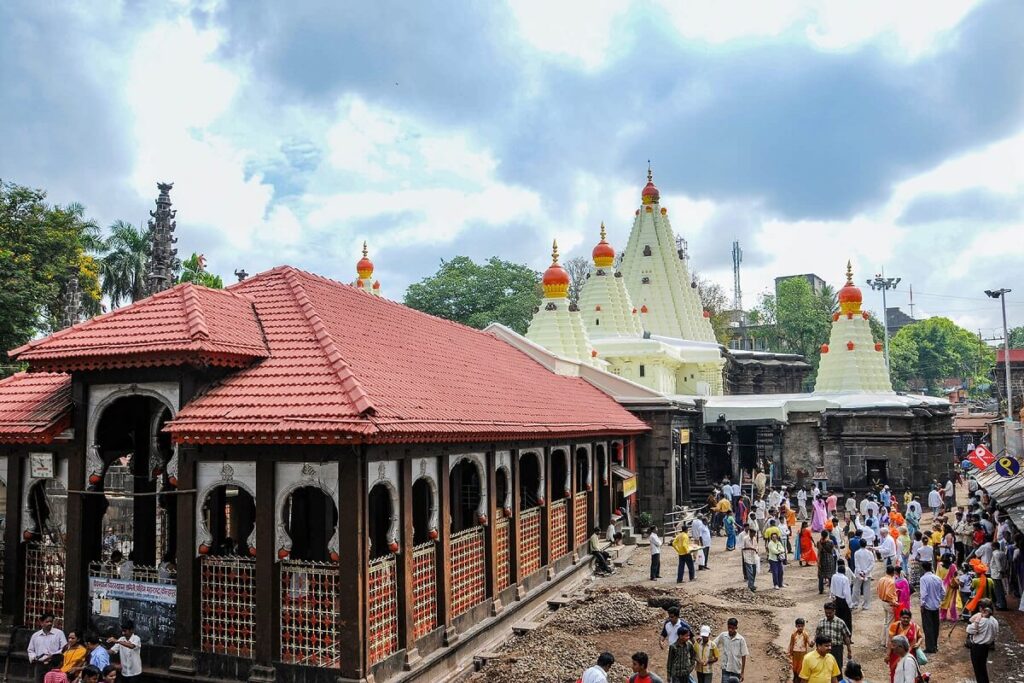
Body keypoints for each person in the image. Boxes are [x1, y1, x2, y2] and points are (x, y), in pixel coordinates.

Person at [27, 613, 67, 683]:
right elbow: (30, 650)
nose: (49, 623)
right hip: (39, 665)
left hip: (53, 665)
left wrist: (53, 656)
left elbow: (64, 648)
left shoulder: (59, 633)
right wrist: (33, 657)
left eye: (51, 621)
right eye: (47, 622)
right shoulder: (35, 636)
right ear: (41, 623)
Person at [966, 600, 998, 683]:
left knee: (978, 670)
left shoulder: (981, 621)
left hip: (977, 647)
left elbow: (969, 629)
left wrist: (977, 619)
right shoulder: (994, 621)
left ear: (982, 609)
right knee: (982, 668)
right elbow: (995, 633)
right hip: (986, 647)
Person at [886, 609, 922, 681]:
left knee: (909, 673)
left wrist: (918, 643)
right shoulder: (895, 626)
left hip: (910, 654)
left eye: (907, 618)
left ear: (910, 618)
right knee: (895, 673)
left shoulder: (915, 627)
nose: (905, 619)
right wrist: (888, 655)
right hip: (896, 655)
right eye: (904, 617)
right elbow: (890, 642)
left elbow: (920, 637)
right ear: (900, 617)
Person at [815, 602, 852, 671]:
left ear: (834, 611)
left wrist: (849, 650)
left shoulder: (840, 622)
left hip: (836, 649)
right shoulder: (821, 622)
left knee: (837, 668)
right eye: (826, 613)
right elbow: (817, 635)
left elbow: (846, 637)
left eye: (830, 613)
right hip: (824, 649)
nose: (828, 615)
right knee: (824, 667)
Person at [917, 561, 942, 654]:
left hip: (927, 606)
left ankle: (930, 647)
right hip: (936, 606)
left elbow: (924, 594)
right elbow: (943, 592)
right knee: (936, 626)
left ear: (923, 568)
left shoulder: (923, 579)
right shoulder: (938, 578)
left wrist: (922, 605)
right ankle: (935, 645)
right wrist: (938, 600)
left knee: (928, 627)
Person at [715, 618, 748, 683]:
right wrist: (701, 639)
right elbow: (713, 644)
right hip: (725, 669)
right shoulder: (723, 635)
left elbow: (744, 656)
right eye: (729, 627)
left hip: (736, 671)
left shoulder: (741, 639)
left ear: (736, 627)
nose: (730, 630)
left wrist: (742, 672)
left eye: (732, 628)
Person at [876, 565, 899, 646]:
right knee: (890, 623)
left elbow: (878, 590)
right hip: (889, 603)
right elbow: (888, 593)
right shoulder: (891, 581)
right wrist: (894, 602)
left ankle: (883, 641)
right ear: (893, 573)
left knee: (886, 622)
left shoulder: (881, 579)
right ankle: (888, 643)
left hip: (883, 602)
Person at [829, 560, 854, 634]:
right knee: (847, 620)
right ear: (844, 572)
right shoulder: (845, 579)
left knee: (837, 618)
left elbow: (832, 588)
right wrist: (850, 605)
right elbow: (847, 593)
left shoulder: (834, 576)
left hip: (836, 599)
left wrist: (832, 597)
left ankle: (838, 633)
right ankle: (847, 635)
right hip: (843, 600)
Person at [788, 618, 813, 683]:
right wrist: (790, 653)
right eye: (799, 626)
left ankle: (799, 679)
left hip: (803, 653)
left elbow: (809, 643)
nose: (800, 628)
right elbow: (791, 644)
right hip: (795, 652)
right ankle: (795, 677)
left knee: (801, 666)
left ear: (804, 626)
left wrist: (811, 644)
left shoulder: (805, 634)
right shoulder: (793, 634)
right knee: (794, 666)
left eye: (802, 626)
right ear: (796, 626)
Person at [852, 539, 874, 610]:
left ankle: (855, 603)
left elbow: (856, 563)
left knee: (856, 588)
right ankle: (866, 605)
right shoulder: (870, 553)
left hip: (859, 574)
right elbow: (872, 564)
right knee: (866, 589)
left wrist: (860, 572)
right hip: (867, 573)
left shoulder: (857, 553)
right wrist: (866, 571)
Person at [937, 554, 959, 621]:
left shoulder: (939, 565)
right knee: (952, 602)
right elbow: (956, 575)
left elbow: (938, 576)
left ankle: (942, 616)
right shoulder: (953, 566)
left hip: (943, 585)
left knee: (943, 601)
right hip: (952, 586)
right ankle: (953, 617)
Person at [818, 531, 837, 595]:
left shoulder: (819, 542)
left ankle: (821, 589)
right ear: (827, 535)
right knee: (830, 575)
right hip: (829, 559)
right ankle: (831, 589)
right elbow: (832, 551)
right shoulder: (831, 542)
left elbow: (818, 551)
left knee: (821, 575)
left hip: (822, 559)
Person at [741, 527, 759, 591]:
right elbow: (742, 547)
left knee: (754, 571)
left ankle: (751, 584)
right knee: (750, 571)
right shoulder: (745, 539)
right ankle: (751, 586)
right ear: (750, 533)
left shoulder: (754, 538)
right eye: (753, 533)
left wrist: (756, 550)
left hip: (753, 556)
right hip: (747, 556)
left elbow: (756, 546)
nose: (754, 535)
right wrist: (751, 548)